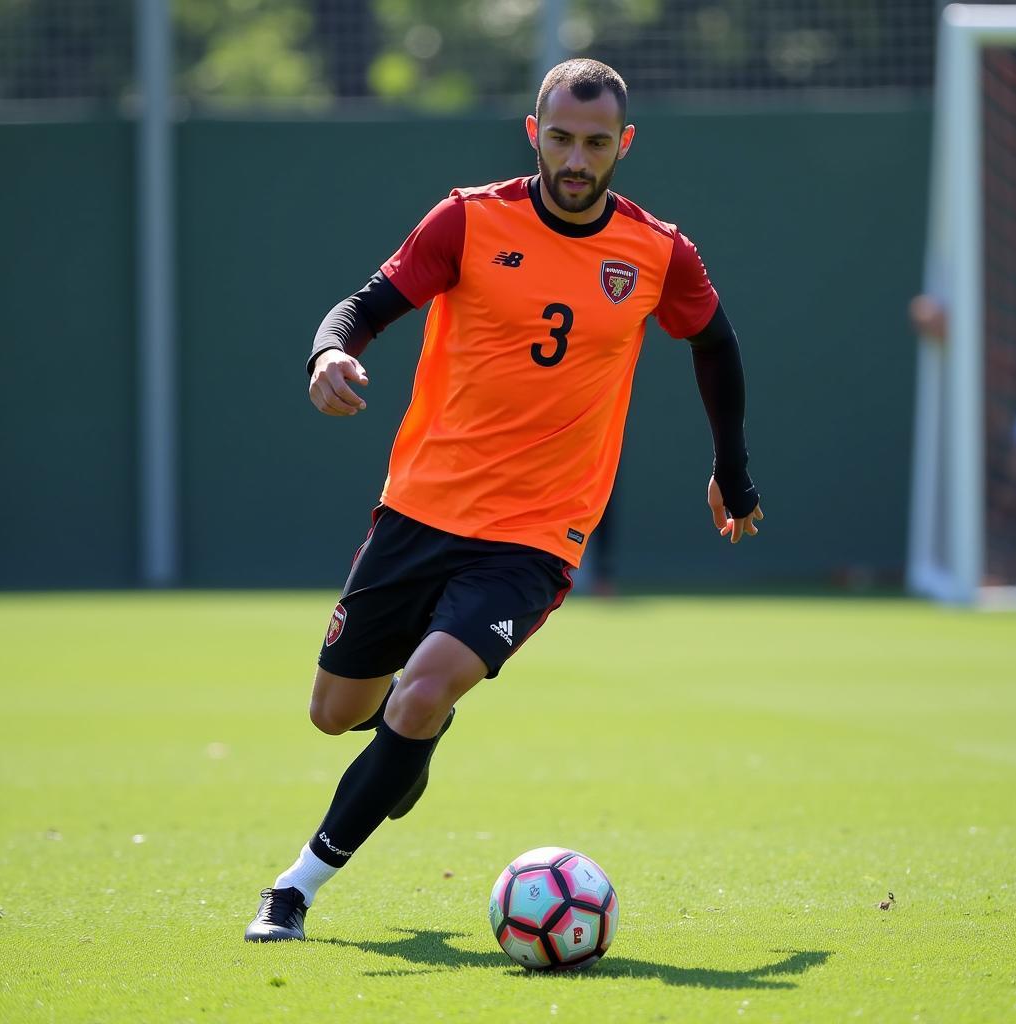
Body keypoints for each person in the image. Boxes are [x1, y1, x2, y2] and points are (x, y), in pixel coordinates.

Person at [244, 57, 764, 942]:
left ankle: (293, 891)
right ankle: (413, 744)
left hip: (536, 534)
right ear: (534, 131)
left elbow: (715, 345)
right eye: (560, 137)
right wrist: (328, 353)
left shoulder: (656, 249)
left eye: (596, 143)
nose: (576, 157)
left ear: (622, 146)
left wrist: (732, 468)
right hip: (420, 508)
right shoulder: (469, 220)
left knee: (418, 696)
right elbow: (363, 305)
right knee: (338, 715)